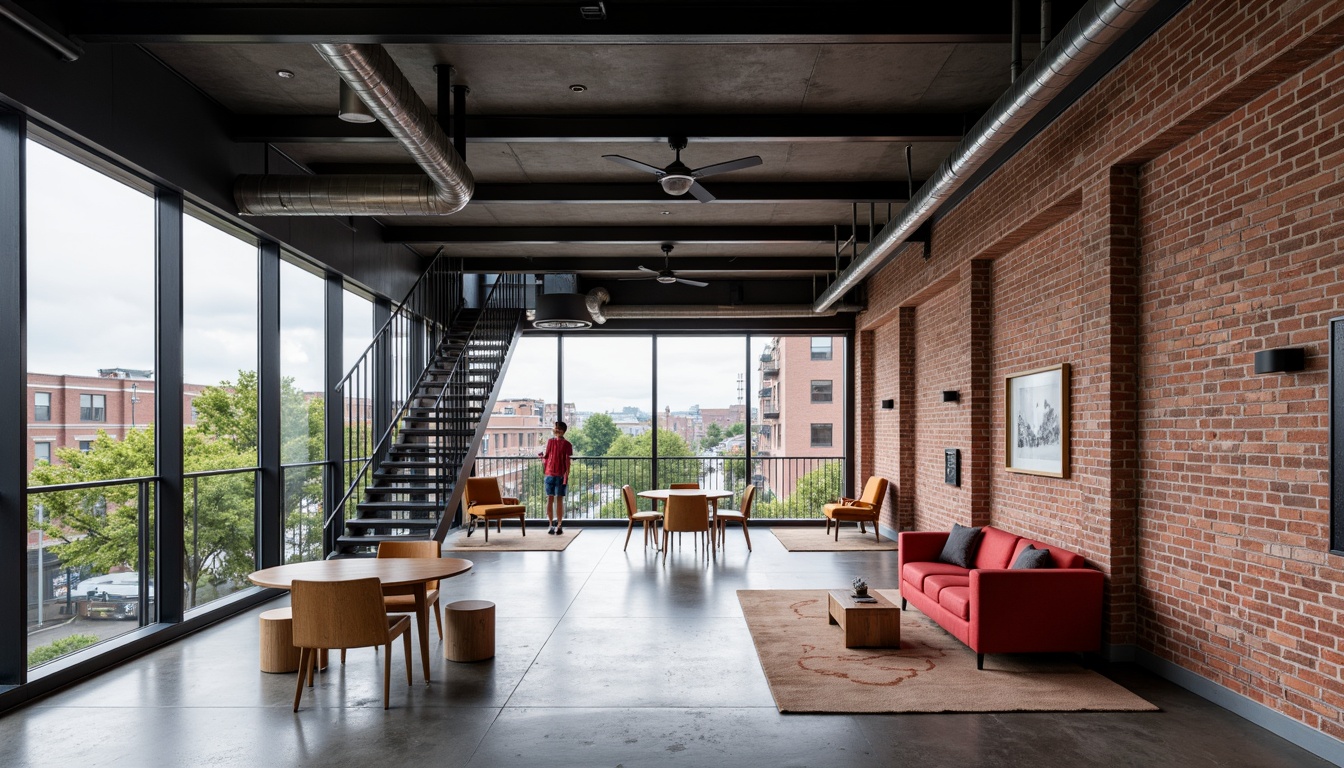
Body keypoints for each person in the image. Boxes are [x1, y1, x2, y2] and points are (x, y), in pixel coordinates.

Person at [539, 421, 573, 535]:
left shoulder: (567, 444)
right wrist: (542, 458)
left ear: (561, 430)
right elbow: (547, 456)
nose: (555, 429)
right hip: (551, 474)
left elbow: (567, 461)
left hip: (558, 474)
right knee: (551, 499)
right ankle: (552, 524)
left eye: (556, 428)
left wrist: (566, 475)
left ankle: (558, 524)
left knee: (557, 500)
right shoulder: (551, 442)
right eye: (555, 428)